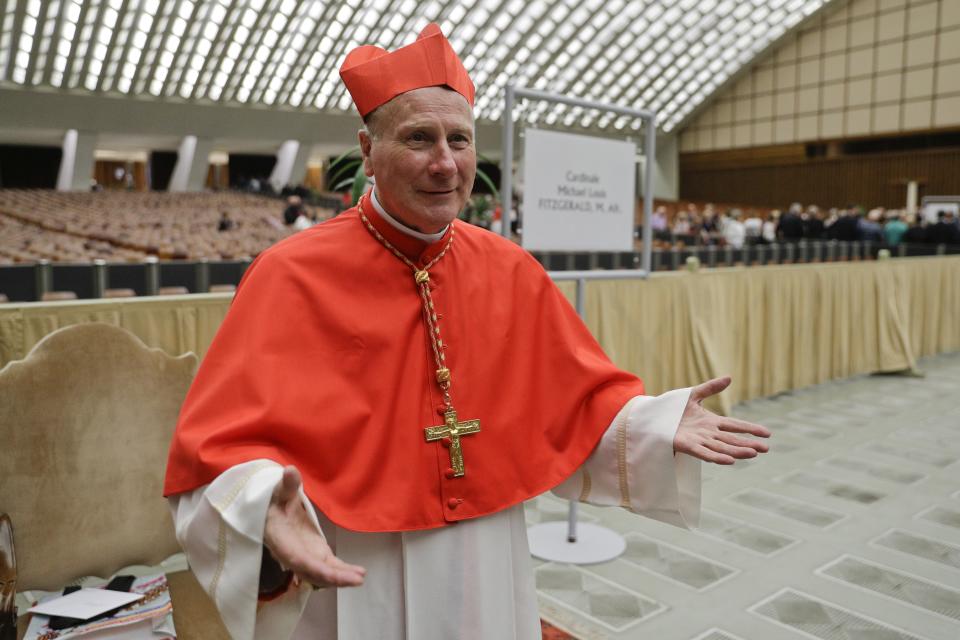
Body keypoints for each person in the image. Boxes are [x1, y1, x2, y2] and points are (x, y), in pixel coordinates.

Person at [164, 24, 769, 640]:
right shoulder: (290, 273)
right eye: (418, 138)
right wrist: (263, 504)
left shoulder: (509, 267)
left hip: (484, 543)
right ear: (367, 151)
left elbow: (569, 399)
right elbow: (218, 446)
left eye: (460, 139)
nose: (445, 163)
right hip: (353, 552)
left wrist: (654, 422)